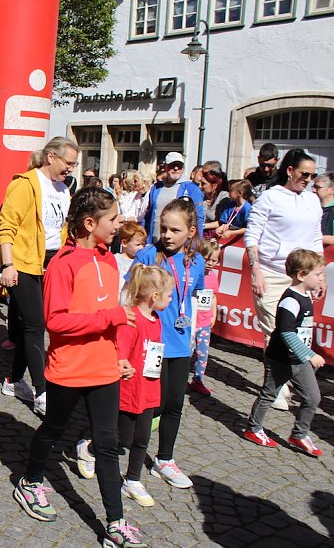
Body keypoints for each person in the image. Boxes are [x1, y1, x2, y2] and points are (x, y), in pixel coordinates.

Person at [13, 187, 146, 548]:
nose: (119, 224)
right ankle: (30, 481)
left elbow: (114, 317)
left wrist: (119, 353)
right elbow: (56, 322)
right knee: (53, 428)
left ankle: (115, 523)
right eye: (113, 219)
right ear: (90, 223)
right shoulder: (63, 263)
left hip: (104, 368)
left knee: (107, 444)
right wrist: (111, 317)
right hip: (69, 368)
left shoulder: (109, 260)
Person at [128, 198, 206, 489]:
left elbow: (198, 296)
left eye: (175, 230)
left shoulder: (196, 261)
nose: (168, 235)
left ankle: (164, 459)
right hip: (153, 345)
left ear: (191, 231)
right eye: (163, 229)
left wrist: (200, 328)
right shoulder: (149, 255)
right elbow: (128, 291)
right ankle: (119, 447)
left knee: (174, 403)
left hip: (181, 343)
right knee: (153, 405)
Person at [0, 137, 77, 416]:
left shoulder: (64, 189)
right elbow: (6, 227)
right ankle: (41, 391)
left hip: (53, 263)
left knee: (30, 325)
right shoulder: (25, 184)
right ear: (51, 157)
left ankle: (13, 380)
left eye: (74, 164)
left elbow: (62, 229)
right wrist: (8, 265)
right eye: (68, 163)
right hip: (23, 262)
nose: (71, 169)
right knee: (35, 324)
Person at [81, 264, 171, 510]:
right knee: (123, 437)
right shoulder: (131, 319)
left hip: (149, 387)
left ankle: (132, 480)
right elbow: (120, 350)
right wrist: (123, 365)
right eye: (169, 295)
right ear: (154, 296)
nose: (170, 299)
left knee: (142, 438)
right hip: (130, 388)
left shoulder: (156, 319)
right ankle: (89, 448)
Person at [245, 149, 323, 411]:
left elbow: (316, 238)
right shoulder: (270, 197)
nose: (308, 180)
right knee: (275, 330)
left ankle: (286, 382)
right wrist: (256, 270)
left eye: (312, 175)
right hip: (270, 273)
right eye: (304, 174)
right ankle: (276, 387)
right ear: (290, 171)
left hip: (300, 279)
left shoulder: (312, 201)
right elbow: (252, 235)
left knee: (295, 332)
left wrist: (320, 275)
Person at [243, 249, 326, 457]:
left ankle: (299, 434)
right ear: (301, 275)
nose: (321, 278)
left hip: (299, 360)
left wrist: (305, 356)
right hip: (281, 359)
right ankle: (253, 429)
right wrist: (310, 355)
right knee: (269, 394)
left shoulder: (306, 295)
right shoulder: (290, 300)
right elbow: (286, 333)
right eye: (318, 274)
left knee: (313, 397)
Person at [143, 152, 204, 244]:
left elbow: (198, 218)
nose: (176, 168)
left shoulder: (191, 188)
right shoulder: (156, 188)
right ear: (165, 167)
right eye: (172, 165)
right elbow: (148, 215)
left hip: (179, 245)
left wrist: (196, 244)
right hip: (155, 243)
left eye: (179, 166)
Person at [189, 240, 220, 396]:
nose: (210, 263)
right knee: (187, 352)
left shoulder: (213, 276)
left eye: (214, 260)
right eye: (207, 259)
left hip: (205, 323)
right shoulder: (194, 273)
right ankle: (178, 378)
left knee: (203, 354)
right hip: (192, 321)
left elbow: (213, 296)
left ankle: (198, 380)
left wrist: (214, 314)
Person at [114, 221, 147, 295]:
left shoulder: (143, 260)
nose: (142, 247)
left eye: (143, 244)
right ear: (124, 243)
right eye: (138, 244)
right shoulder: (115, 260)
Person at [199, 169, 230, 235]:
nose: (200, 186)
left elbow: (223, 221)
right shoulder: (201, 197)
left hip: (216, 235)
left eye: (203, 184)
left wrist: (202, 226)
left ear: (214, 186)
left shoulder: (223, 197)